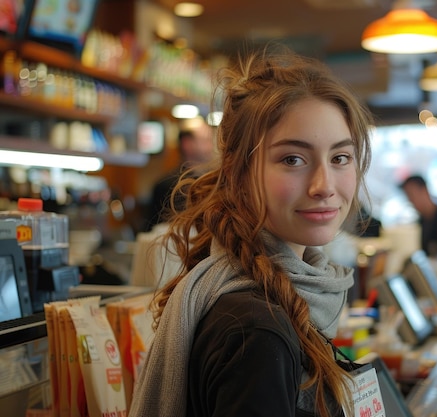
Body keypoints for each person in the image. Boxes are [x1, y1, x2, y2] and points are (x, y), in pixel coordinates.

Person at [128, 47, 374, 417]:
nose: (324, 185)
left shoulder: (270, 298)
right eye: (293, 159)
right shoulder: (257, 331)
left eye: (340, 157)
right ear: (238, 173)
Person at [146, 122, 215, 230]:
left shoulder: (216, 182)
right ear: (186, 144)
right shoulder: (166, 186)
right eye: (205, 140)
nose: (211, 146)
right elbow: (154, 232)